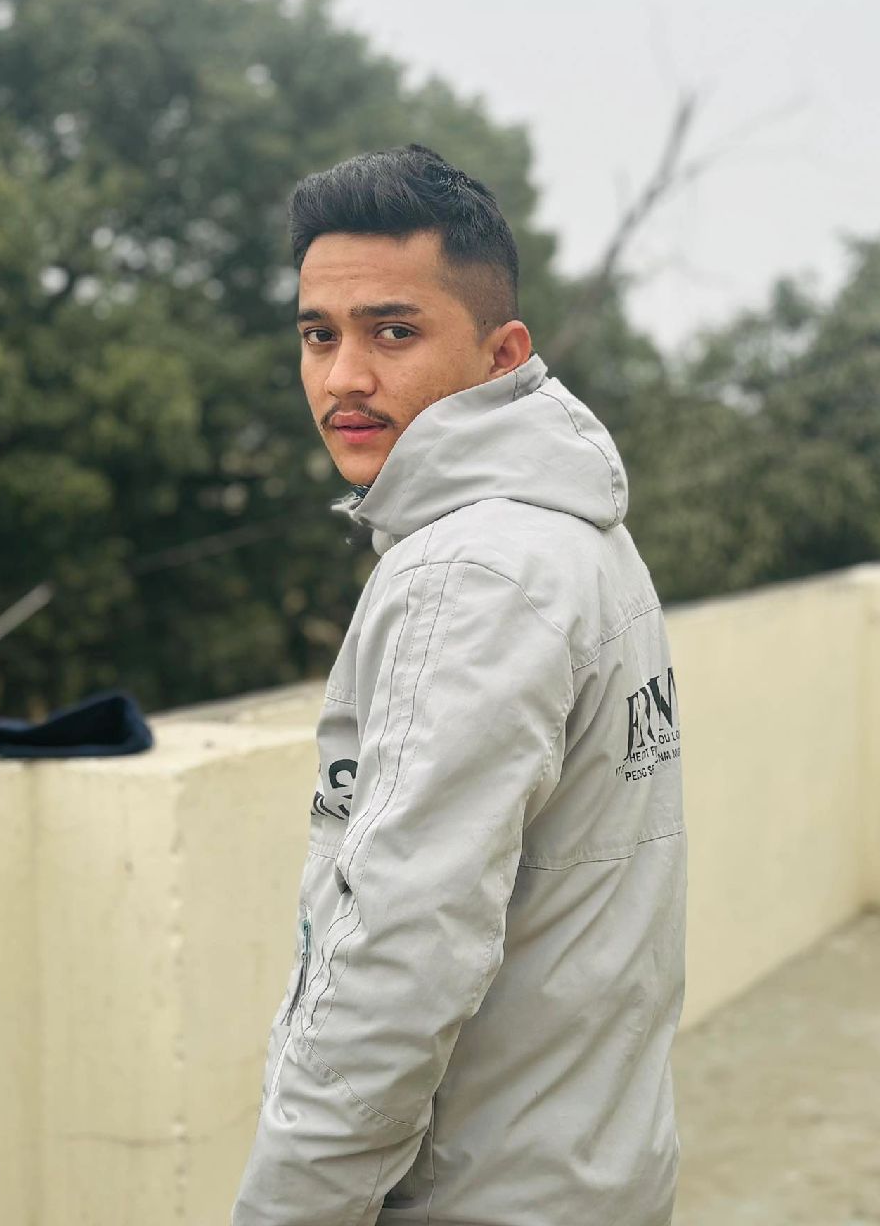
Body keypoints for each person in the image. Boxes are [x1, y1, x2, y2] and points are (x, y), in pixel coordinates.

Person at [231, 144, 687, 1226]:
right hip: (595, 1175)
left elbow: (398, 964)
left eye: (393, 332)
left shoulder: (470, 574)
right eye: (319, 335)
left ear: (500, 353)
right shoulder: (572, 529)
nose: (344, 377)